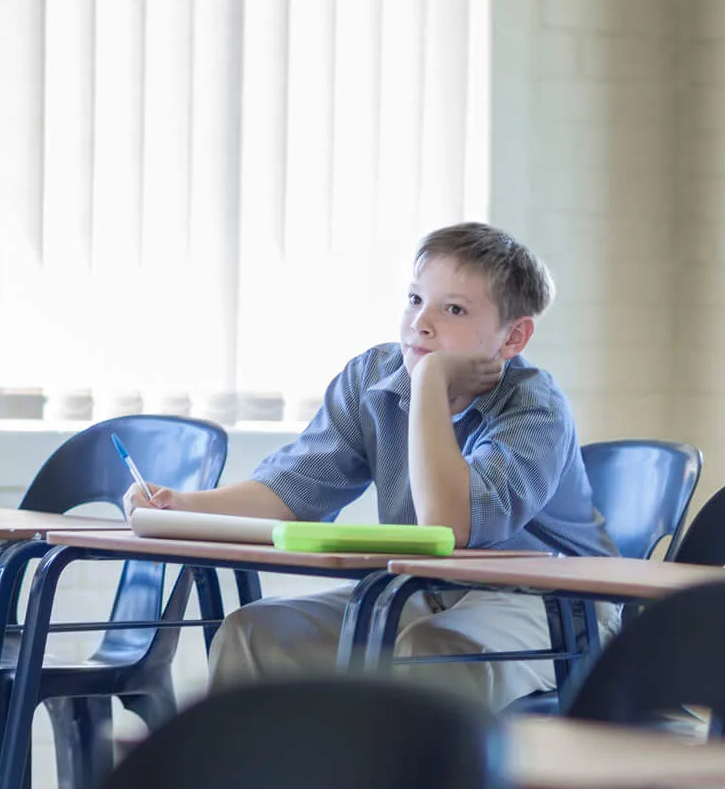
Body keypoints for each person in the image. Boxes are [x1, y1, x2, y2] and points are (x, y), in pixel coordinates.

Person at [124, 221, 613, 709]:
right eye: (415, 299)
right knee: (253, 632)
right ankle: (268, 787)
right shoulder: (373, 379)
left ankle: (399, 788)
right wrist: (178, 505)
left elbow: (448, 525)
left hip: (551, 602)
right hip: (428, 591)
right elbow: (291, 493)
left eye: (455, 309)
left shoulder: (534, 406)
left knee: (433, 652)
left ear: (513, 338)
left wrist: (429, 383)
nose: (421, 323)